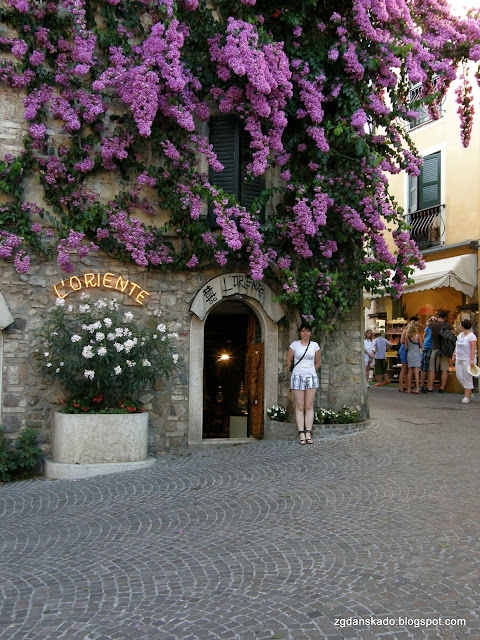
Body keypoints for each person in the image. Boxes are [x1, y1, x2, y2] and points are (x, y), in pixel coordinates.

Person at [286, 323, 321, 445]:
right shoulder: (294, 345)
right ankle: (301, 432)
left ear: (310, 333)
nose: (305, 333)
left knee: (309, 405)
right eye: (303, 331)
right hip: (297, 376)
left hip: (311, 377)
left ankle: (308, 432)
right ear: (300, 333)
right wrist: (298, 371)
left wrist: (311, 371)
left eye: (307, 331)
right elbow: (288, 361)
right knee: (300, 406)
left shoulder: (314, 345)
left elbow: (318, 362)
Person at [426, 310, 451, 393]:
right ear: (445, 317)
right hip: (445, 349)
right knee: (444, 369)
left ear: (438, 316)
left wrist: (431, 319)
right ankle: (442, 388)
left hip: (435, 347)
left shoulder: (433, 324)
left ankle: (430, 387)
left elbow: (427, 324)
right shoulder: (448, 325)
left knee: (432, 369)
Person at [452, 319, 477, 403]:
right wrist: (454, 354)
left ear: (463, 326)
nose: (459, 327)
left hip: (467, 358)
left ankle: (466, 396)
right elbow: (457, 346)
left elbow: (473, 349)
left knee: (467, 377)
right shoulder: (460, 335)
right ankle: (469, 390)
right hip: (459, 358)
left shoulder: (471, 336)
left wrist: (472, 360)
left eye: (460, 325)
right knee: (459, 376)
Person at [398, 316, 418, 392]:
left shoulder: (411, 332)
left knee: (407, 369)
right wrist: (408, 341)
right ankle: (401, 386)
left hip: (409, 350)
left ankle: (407, 385)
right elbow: (401, 341)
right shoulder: (406, 330)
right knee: (404, 368)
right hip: (404, 350)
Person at [405, 320, 423, 394]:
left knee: (409, 371)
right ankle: (417, 388)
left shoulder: (407, 337)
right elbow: (421, 346)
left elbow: (406, 348)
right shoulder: (417, 336)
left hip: (409, 354)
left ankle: (408, 388)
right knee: (416, 371)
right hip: (416, 354)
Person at [420, 323, 433, 392]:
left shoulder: (429, 326)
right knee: (430, 367)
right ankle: (428, 385)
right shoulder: (436, 326)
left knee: (424, 367)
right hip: (431, 346)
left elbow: (424, 335)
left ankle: (422, 384)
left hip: (426, 345)